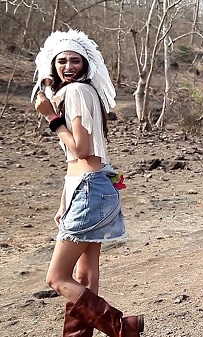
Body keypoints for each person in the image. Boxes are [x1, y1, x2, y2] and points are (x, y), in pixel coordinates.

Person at [32, 29, 144, 337]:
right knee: (86, 272)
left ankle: (122, 327)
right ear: (53, 66)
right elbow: (82, 160)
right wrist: (63, 201)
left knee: (56, 278)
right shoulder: (84, 92)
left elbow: (80, 149)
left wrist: (51, 118)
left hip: (89, 189)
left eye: (75, 61)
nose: (68, 67)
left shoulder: (77, 92)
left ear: (86, 64)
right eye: (62, 61)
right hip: (91, 186)